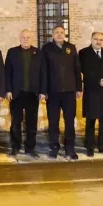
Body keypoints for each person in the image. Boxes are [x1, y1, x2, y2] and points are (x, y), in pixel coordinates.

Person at [40, 26, 82, 160]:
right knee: (53, 121)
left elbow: (77, 69)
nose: (59, 34)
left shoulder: (71, 48)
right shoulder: (46, 49)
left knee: (70, 121)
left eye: (62, 33)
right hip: (53, 92)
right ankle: (54, 147)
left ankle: (70, 148)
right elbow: (43, 71)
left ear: (65, 34)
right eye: (56, 32)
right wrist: (43, 90)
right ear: (52, 35)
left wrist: (79, 88)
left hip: (69, 91)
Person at [4, 29, 45, 157]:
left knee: (32, 122)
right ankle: (15, 147)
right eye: (23, 37)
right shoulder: (12, 52)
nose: (26, 39)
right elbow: (7, 73)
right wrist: (8, 90)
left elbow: (43, 73)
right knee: (16, 122)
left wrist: (43, 91)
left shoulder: (38, 53)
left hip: (33, 93)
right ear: (19, 38)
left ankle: (30, 148)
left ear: (31, 39)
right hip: (16, 94)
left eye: (28, 37)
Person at [79, 32, 103, 157]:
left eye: (101, 39)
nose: (98, 41)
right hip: (92, 91)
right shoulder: (83, 53)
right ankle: (90, 146)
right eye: (96, 39)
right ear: (91, 39)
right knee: (91, 121)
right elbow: (85, 70)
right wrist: (99, 80)